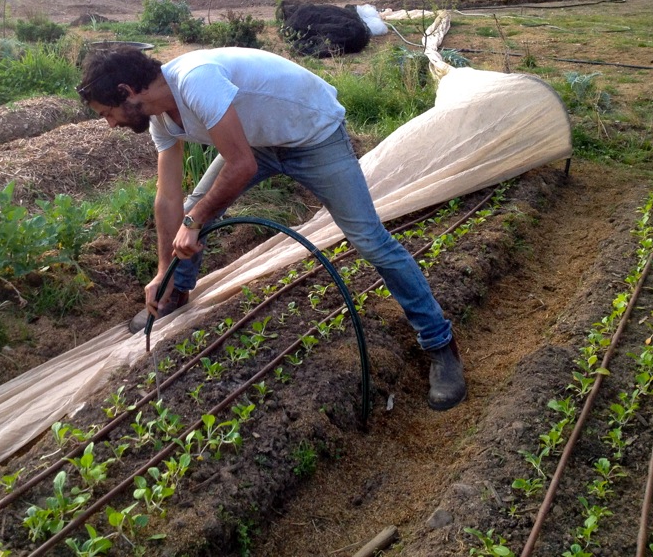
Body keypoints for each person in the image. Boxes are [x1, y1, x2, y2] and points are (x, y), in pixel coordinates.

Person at [76, 45, 466, 411]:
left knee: (370, 241)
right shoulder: (162, 118)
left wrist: (194, 223)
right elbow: (168, 200)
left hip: (313, 135)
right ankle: (173, 294)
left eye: (107, 112)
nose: (109, 123)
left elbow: (240, 166)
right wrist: (163, 272)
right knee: (193, 207)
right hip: (260, 143)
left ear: (127, 91)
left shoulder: (196, 80)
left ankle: (440, 344)